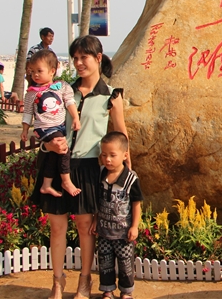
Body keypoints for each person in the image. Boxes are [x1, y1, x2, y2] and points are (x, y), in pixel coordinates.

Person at [31, 35, 127, 299]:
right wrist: (47, 145)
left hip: (88, 168)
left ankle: (85, 281)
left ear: (98, 58)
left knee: (85, 227)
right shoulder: (61, 91)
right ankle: (57, 281)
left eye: (84, 57)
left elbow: (121, 135)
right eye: (75, 58)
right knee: (57, 227)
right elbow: (41, 125)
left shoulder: (111, 95)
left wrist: (124, 172)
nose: (79, 63)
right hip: (55, 163)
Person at [22, 50, 82, 198]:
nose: (35, 75)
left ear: (52, 71)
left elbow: (70, 102)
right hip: (44, 128)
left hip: (59, 126)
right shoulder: (31, 93)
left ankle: (46, 185)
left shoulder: (61, 86)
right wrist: (25, 130)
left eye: (39, 71)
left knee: (53, 155)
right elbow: (28, 113)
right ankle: (66, 181)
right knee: (63, 149)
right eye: (32, 71)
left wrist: (75, 117)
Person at [90, 132, 143, 299]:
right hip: (104, 232)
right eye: (104, 155)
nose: (107, 160)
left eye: (112, 155)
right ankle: (107, 291)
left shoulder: (131, 179)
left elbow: (136, 204)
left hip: (123, 233)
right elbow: (97, 200)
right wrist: (95, 220)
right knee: (105, 263)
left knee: (125, 264)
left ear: (125, 155)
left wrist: (134, 226)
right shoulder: (101, 174)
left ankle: (126, 292)